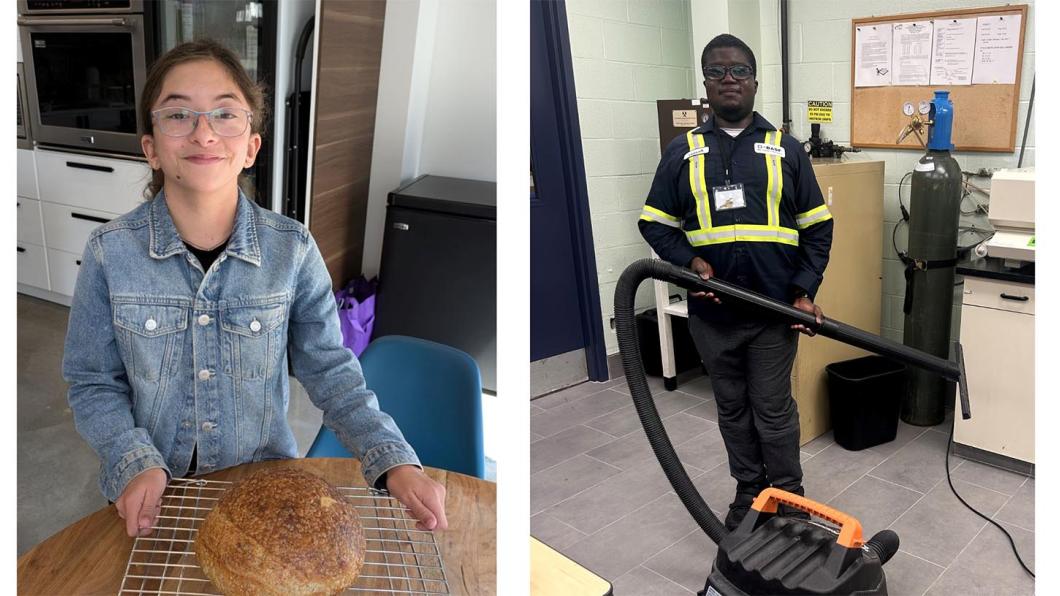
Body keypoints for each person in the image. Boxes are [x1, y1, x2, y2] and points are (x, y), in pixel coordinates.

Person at [62, 40, 447, 538]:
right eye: (178, 114)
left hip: (265, 490)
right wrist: (133, 460)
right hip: (154, 492)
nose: (203, 132)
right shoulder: (108, 253)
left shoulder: (293, 250)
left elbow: (331, 371)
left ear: (250, 147)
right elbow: (92, 382)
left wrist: (392, 459)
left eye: (225, 113)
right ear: (151, 148)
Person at [638, 34, 834, 530]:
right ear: (705, 83)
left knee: (772, 410)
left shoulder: (786, 150)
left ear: (754, 81)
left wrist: (804, 290)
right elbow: (654, 222)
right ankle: (750, 492)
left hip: (773, 314)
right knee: (732, 410)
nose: (730, 80)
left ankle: (788, 498)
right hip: (713, 315)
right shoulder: (682, 152)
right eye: (718, 72)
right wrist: (688, 261)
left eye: (740, 71)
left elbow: (817, 228)